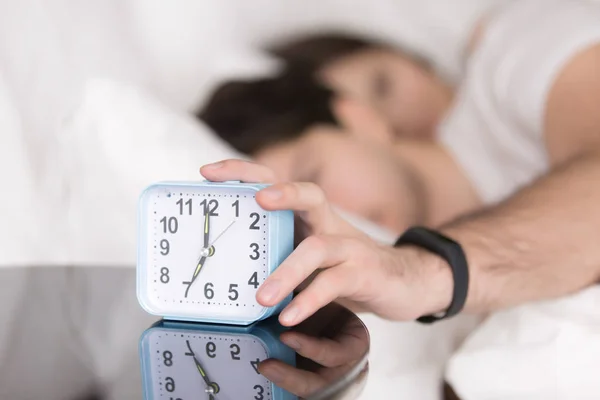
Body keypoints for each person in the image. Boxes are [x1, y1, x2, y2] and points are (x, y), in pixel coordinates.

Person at [200, 0, 600, 397]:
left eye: (312, 176)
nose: (331, 216)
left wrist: (419, 269)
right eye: (294, 225)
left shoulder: (518, 52)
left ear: (358, 118)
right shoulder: (446, 327)